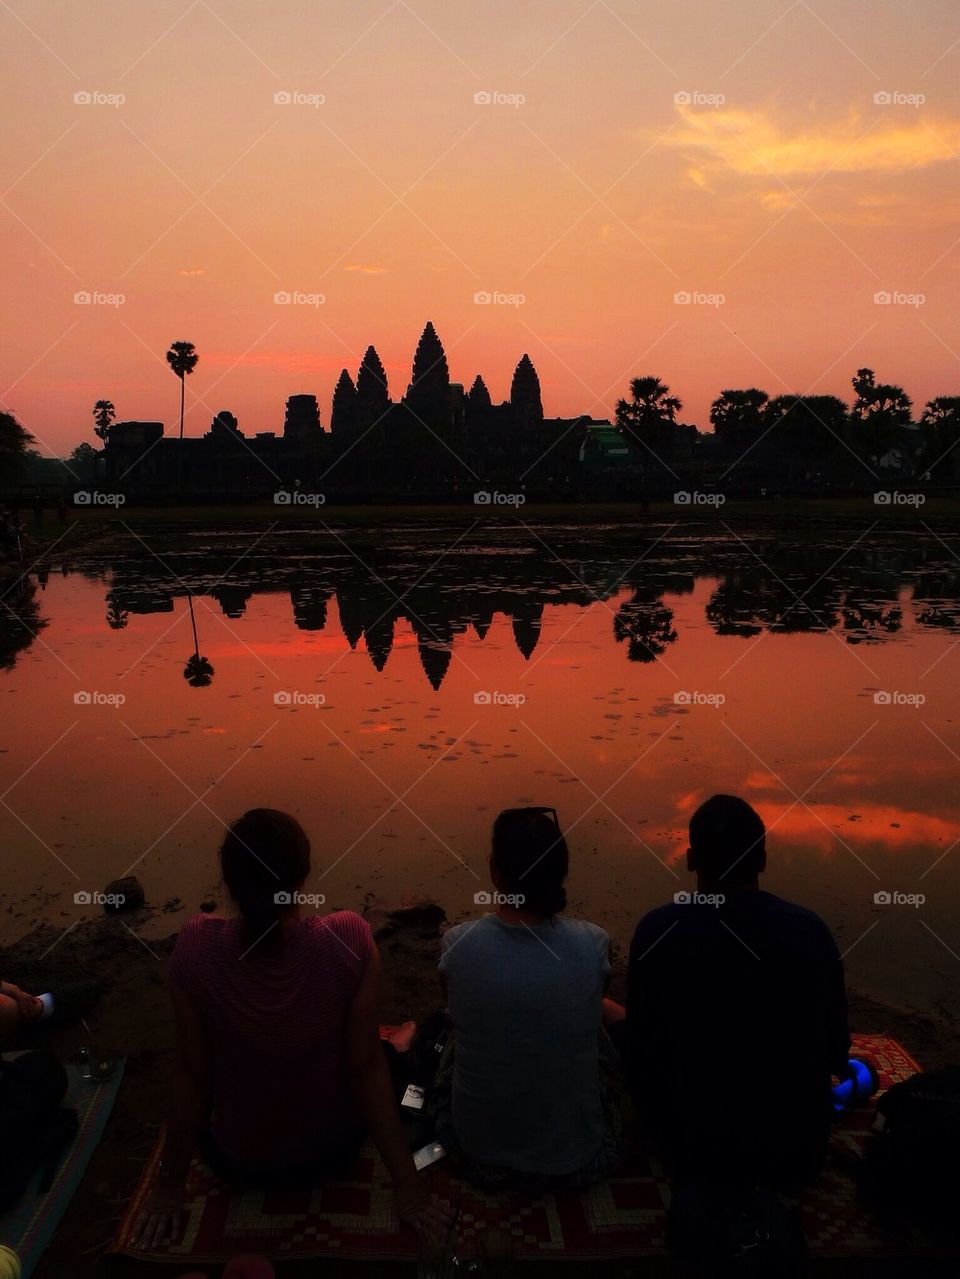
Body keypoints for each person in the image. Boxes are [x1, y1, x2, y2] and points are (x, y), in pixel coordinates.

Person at [132, 809, 450, 1248]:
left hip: (238, 1161)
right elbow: (363, 1070)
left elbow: (192, 1071)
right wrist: (406, 1186)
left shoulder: (194, 947)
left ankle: (391, 1040)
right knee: (382, 1058)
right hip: (332, 1154)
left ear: (227, 882)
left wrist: (168, 1186)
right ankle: (397, 1041)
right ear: (302, 878)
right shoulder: (350, 939)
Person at [610, 794, 850, 1189]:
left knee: (605, 1014)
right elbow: (835, 1052)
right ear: (762, 860)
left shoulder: (657, 930)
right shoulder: (810, 930)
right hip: (794, 1155)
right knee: (858, 1075)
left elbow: (642, 1054)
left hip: (686, 1149)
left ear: (690, 860)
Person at [437, 806, 627, 1189]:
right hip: (577, 1161)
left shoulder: (458, 945)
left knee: (454, 1041)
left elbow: (455, 1011)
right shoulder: (593, 944)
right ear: (560, 874)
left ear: (494, 871)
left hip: (477, 1155)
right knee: (601, 1029)